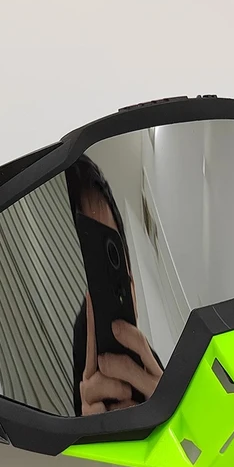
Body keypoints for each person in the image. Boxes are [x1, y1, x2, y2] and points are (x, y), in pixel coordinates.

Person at [66, 156, 163, 416]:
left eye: (114, 261)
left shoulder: (158, 374)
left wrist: (168, 410)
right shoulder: (83, 338)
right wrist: (92, 431)